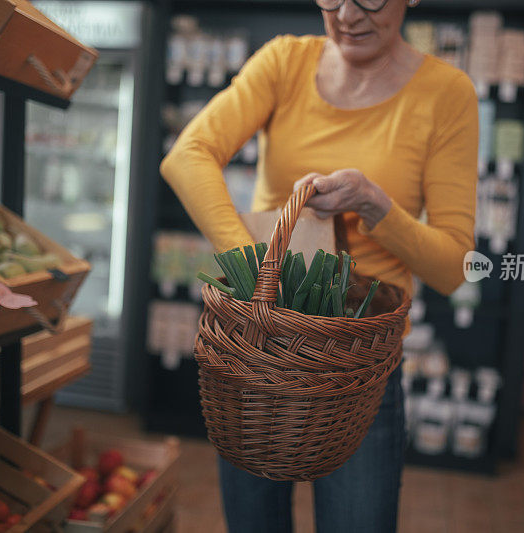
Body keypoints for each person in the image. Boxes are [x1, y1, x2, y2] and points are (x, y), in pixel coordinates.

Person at [160, 0, 478, 529]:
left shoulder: (446, 94)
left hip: (358, 367)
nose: (348, 14)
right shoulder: (284, 62)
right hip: (260, 355)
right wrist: (258, 272)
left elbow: (453, 268)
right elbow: (186, 155)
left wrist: (376, 204)